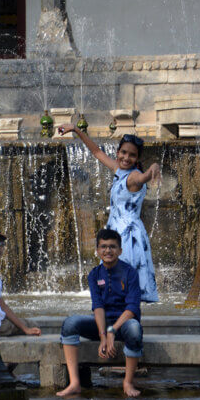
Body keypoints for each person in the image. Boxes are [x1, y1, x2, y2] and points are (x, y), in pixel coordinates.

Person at [58, 125, 161, 302]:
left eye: (132, 155)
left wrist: (154, 167)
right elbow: (97, 152)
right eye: (123, 152)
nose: (126, 157)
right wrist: (76, 129)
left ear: (137, 158)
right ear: (118, 152)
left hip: (127, 236)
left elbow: (144, 177)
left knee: (122, 284)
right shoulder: (120, 170)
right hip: (117, 232)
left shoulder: (134, 177)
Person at [57, 229, 144, 397]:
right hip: (102, 324)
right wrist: (103, 335)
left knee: (134, 329)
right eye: (103, 247)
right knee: (70, 323)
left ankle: (127, 382)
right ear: (97, 250)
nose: (108, 250)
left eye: (112, 246)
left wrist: (112, 331)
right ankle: (75, 383)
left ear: (120, 250)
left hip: (124, 324)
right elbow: (98, 306)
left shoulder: (130, 273)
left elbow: (132, 309)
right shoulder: (94, 274)